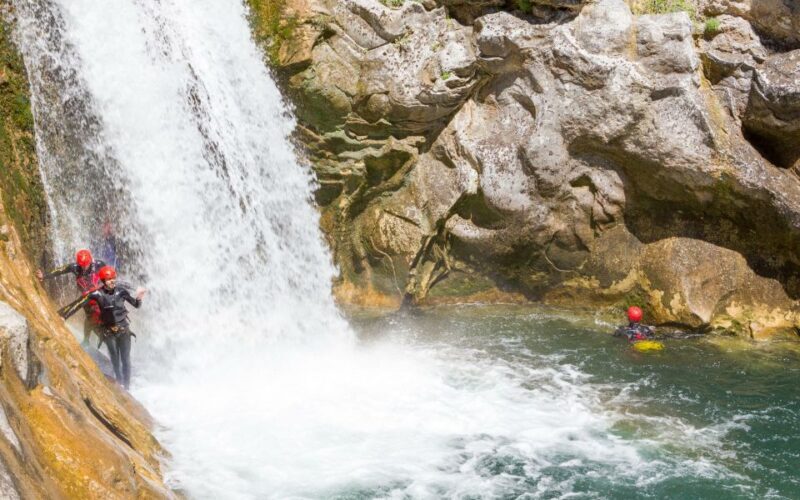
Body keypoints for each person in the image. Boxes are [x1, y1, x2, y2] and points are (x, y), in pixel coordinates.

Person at [60, 266, 146, 390]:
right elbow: (78, 304)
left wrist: (139, 298)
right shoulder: (96, 294)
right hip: (109, 332)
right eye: (109, 279)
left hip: (124, 330)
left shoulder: (121, 292)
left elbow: (136, 305)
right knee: (115, 358)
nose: (112, 281)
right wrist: (64, 316)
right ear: (103, 281)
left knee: (125, 358)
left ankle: (127, 387)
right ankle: (120, 383)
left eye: (113, 278)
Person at [37, 249, 106, 346]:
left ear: (91, 261)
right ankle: (86, 340)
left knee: (104, 315)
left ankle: (107, 337)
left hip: (99, 294)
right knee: (89, 319)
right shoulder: (75, 267)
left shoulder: (99, 264)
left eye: (86, 264)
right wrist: (44, 276)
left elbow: (108, 275)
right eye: (82, 265)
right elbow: (60, 270)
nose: (84, 267)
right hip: (86, 298)